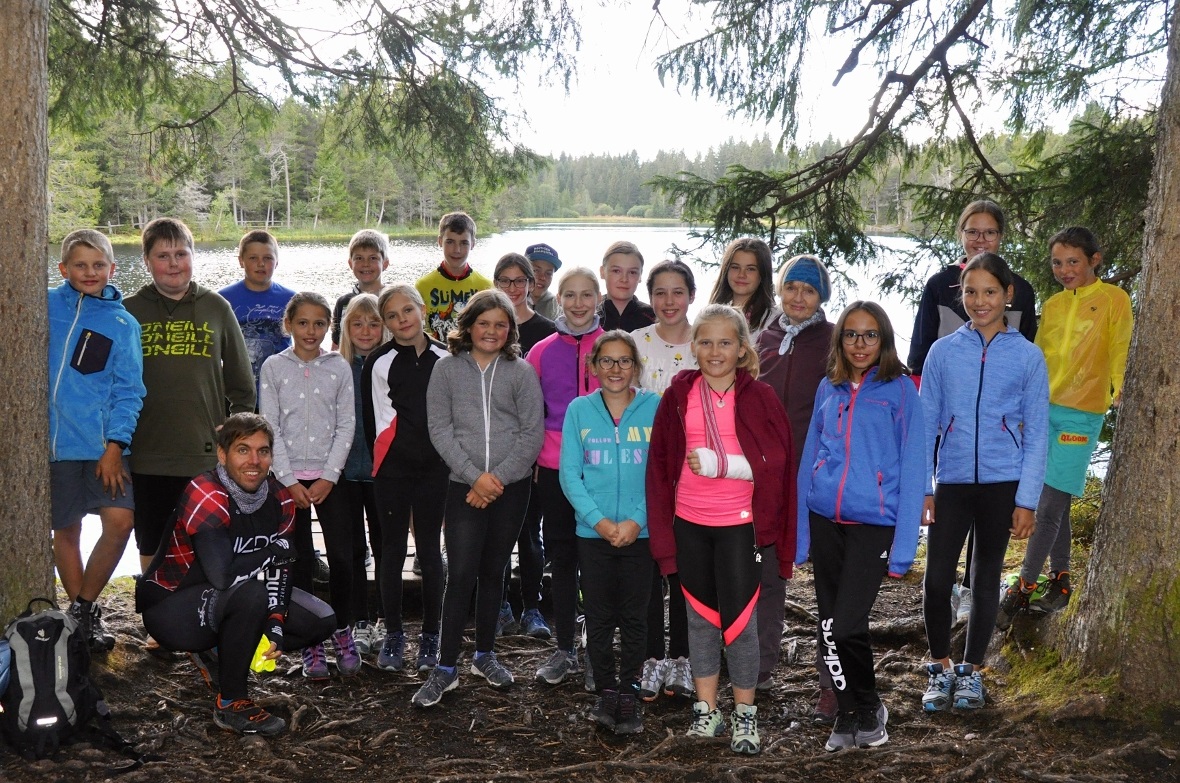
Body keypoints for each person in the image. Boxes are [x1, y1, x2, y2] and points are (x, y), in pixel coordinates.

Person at [646, 304, 796, 756]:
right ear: (693, 347)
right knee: (700, 621)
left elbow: (776, 463)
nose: (715, 351)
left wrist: (724, 465)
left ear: (742, 349)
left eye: (725, 343)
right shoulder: (678, 395)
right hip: (690, 522)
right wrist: (663, 534)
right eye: (706, 342)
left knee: (741, 624)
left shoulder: (759, 397)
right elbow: (660, 465)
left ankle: (745, 715)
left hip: (739, 527)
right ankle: (707, 711)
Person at [137, 413, 336, 737]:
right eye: (243, 450)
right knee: (250, 594)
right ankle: (231, 702)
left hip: (228, 598)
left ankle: (223, 650)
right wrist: (272, 551)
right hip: (170, 606)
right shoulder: (206, 491)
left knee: (320, 619)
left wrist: (275, 622)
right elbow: (222, 576)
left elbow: (281, 568)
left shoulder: (281, 496)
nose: (254, 461)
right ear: (222, 454)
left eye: (263, 451)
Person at [919, 253, 1049, 713]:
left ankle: (971, 673)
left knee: (985, 577)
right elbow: (925, 427)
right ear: (961, 294)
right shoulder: (943, 352)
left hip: (1002, 483)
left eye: (989, 291)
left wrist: (1027, 500)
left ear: (1008, 295)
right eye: (970, 292)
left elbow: (1036, 435)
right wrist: (925, 488)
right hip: (952, 481)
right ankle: (939, 668)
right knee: (937, 581)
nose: (979, 301)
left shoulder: (1028, 357)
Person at [795, 301, 926, 752]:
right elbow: (810, 456)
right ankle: (847, 714)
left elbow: (914, 469)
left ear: (884, 340)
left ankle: (870, 706)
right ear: (840, 340)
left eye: (870, 335)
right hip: (825, 519)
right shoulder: (827, 388)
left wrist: (906, 545)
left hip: (874, 524)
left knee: (848, 623)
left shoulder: (901, 391)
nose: (860, 343)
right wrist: (800, 533)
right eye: (851, 334)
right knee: (830, 626)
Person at [907, 200, 1038, 627]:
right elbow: (921, 350)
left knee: (986, 558)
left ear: (1001, 236)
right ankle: (944, 630)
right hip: (950, 414)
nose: (981, 238)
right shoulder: (940, 285)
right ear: (961, 233)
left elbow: (1020, 360)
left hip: (997, 446)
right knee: (944, 540)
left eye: (990, 232)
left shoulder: (1019, 289)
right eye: (972, 230)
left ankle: (970, 599)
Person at [412, 290, 545, 707]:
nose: (492, 331)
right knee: (462, 572)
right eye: (484, 323)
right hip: (462, 486)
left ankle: (485, 655)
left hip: (511, 486)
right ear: (468, 327)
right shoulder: (447, 370)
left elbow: (531, 433)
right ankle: (446, 667)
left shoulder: (521, 372)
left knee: (495, 571)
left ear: (510, 331)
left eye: (500, 325)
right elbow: (440, 430)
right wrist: (475, 478)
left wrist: (497, 480)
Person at [997, 227, 1132, 625]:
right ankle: (1061, 578)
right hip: (1041, 409)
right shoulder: (1054, 304)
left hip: (1082, 412)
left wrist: (1122, 386)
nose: (1064, 270)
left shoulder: (1114, 299)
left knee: (1048, 505)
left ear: (1095, 259)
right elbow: (1036, 356)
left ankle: (1022, 588)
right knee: (1058, 496)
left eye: (1073, 261)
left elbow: (1122, 344)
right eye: (1057, 262)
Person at [124, 217, 255, 577]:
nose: (173, 263)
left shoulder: (216, 307)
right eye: (162, 255)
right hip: (146, 452)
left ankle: (204, 619)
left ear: (193, 257)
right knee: (151, 541)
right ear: (146, 261)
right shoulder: (128, 311)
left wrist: (233, 435)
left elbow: (242, 384)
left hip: (204, 453)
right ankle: (156, 618)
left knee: (207, 541)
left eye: (181, 253)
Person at [49, 229, 146, 652]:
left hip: (103, 446)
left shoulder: (122, 323)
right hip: (54, 448)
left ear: (113, 267)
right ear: (63, 268)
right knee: (64, 531)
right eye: (80, 265)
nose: (90, 273)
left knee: (120, 521)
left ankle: (86, 604)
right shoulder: (46, 305)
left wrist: (114, 446)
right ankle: (80, 620)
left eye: (98, 265)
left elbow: (130, 390)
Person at [560, 331, 660, 735]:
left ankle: (630, 691)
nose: (615, 369)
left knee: (637, 616)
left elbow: (662, 473)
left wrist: (637, 520)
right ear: (593, 366)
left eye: (624, 361)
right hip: (593, 534)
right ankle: (605, 690)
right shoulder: (578, 411)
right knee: (599, 615)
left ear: (636, 367)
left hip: (642, 533)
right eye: (607, 361)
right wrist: (599, 522)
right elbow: (570, 475)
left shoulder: (655, 407)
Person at [259, 292, 359, 679]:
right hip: (287, 480)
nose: (311, 331)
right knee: (297, 559)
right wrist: (287, 479)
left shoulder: (338, 368)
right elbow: (270, 426)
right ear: (288, 325)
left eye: (320, 323)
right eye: (303, 323)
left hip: (329, 478)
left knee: (343, 557)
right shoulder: (273, 367)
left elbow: (346, 424)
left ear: (328, 328)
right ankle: (310, 639)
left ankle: (343, 629)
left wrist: (330, 475)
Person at [754, 254, 837, 713]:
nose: (799, 297)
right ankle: (760, 666)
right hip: (766, 477)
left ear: (821, 296)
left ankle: (832, 677)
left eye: (809, 290)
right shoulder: (763, 339)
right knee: (765, 575)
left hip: (818, 475)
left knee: (828, 578)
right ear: (781, 291)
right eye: (792, 288)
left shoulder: (834, 341)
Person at [362, 285, 450, 673]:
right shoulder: (377, 363)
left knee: (430, 551)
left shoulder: (446, 358)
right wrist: (384, 462)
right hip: (393, 470)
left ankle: (432, 634)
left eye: (408, 311)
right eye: (393, 316)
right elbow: (372, 421)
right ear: (386, 323)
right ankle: (394, 632)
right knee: (392, 550)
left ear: (422, 309)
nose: (402, 320)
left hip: (435, 469)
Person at [527, 267, 605, 686]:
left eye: (586, 295)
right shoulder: (540, 351)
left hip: (602, 468)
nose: (578, 304)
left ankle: (596, 650)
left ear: (598, 298)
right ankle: (563, 650)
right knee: (562, 557)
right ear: (559, 299)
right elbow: (528, 410)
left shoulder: (612, 347)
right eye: (570, 295)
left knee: (594, 558)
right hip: (555, 468)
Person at [630, 259, 697, 701]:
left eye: (677, 292)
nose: (668, 301)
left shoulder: (707, 340)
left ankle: (685, 660)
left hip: (694, 475)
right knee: (648, 569)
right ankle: (651, 659)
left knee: (688, 573)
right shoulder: (636, 343)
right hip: (642, 471)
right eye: (659, 293)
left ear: (691, 294)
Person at [492, 253, 555, 639]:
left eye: (520, 281)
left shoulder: (547, 331)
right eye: (505, 280)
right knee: (495, 534)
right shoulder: (488, 327)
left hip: (532, 450)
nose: (513, 288)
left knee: (530, 533)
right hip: (492, 451)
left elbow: (548, 399)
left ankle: (532, 607)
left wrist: (536, 452)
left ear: (532, 284)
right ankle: (498, 605)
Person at [336, 293, 386, 655]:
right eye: (357, 324)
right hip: (343, 472)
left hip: (383, 474)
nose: (366, 331)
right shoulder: (336, 367)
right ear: (346, 329)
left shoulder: (390, 365)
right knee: (352, 549)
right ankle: (360, 620)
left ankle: (385, 618)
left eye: (373, 323)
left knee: (386, 547)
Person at [218, 230, 296, 397]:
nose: (261, 264)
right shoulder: (222, 299)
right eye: (253, 258)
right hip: (237, 388)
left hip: (281, 386)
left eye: (267, 258)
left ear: (276, 262)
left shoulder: (292, 299)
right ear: (241, 261)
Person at [416, 211, 492, 341]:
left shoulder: (485, 286)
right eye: (450, 242)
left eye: (464, 243)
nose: (457, 250)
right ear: (440, 241)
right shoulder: (422, 286)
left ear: (473, 244)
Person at [709, 238, 779, 339]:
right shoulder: (712, 313)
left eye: (750, 269)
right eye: (735, 267)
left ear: (762, 274)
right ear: (726, 271)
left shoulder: (774, 320)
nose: (741, 275)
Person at [331, 229, 389, 349]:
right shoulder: (343, 303)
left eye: (373, 258)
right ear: (350, 263)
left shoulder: (392, 300)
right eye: (359, 258)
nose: (366, 264)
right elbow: (337, 343)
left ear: (385, 263)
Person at [598, 241, 656, 331]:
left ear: (640, 276)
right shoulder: (589, 315)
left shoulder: (653, 317)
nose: (624, 279)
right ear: (602, 272)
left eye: (632, 272)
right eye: (616, 271)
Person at [525, 242, 561, 321]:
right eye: (536, 271)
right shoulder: (512, 300)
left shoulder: (557, 306)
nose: (542, 277)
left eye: (548, 273)